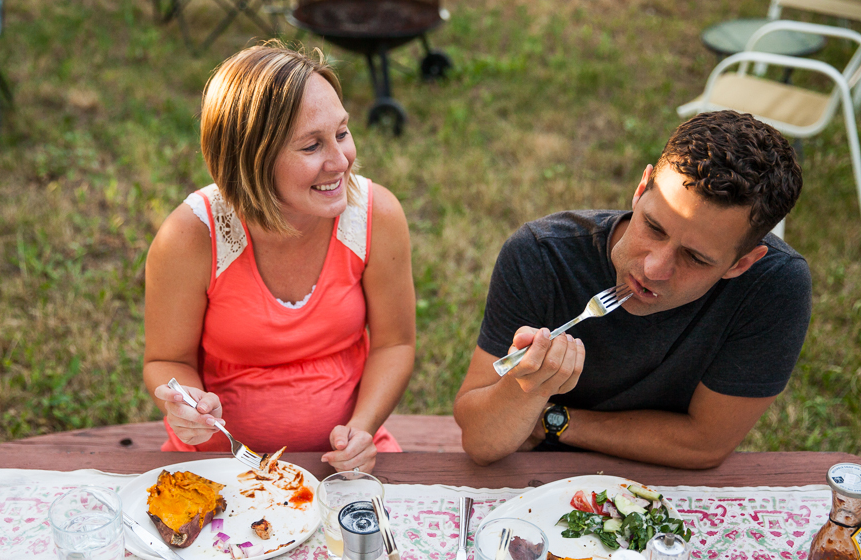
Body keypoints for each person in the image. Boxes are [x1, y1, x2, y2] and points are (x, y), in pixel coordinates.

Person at [454, 110, 811, 470]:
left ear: (741, 264)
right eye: (654, 227)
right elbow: (482, 442)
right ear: (641, 190)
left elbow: (705, 445)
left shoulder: (774, 285)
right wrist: (525, 389)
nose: (653, 269)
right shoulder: (542, 254)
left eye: (695, 258)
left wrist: (554, 421)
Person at [143, 42, 416, 474]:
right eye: (311, 147)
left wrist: (362, 430)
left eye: (342, 133)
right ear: (252, 159)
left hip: (345, 465)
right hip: (217, 465)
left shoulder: (375, 216)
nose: (341, 160)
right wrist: (188, 405)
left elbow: (394, 344)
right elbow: (167, 361)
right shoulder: (191, 236)